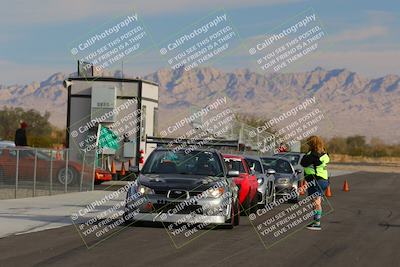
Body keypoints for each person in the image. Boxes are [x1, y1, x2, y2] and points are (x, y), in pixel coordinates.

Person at [300, 135, 330, 231]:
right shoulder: (323, 153)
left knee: (316, 202)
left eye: (308, 142)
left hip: (316, 180)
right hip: (323, 180)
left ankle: (317, 223)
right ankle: (316, 221)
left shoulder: (313, 155)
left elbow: (303, 162)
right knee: (316, 201)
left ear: (311, 144)